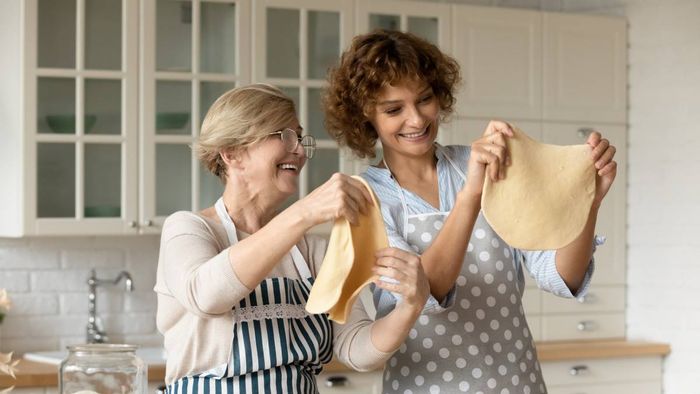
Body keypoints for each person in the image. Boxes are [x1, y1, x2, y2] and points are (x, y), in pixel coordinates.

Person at [323, 30, 617, 394]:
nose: (416, 120)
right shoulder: (364, 199)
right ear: (366, 116)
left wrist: (587, 203)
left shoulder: (488, 164)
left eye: (425, 99)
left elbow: (560, 277)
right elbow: (425, 295)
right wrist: (471, 195)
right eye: (394, 109)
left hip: (518, 383)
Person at [154, 84, 431, 394]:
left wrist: (410, 305)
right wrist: (304, 212)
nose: (299, 150)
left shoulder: (311, 251)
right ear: (232, 154)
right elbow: (207, 295)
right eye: (284, 136)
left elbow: (356, 348)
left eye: (299, 138)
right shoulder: (189, 229)